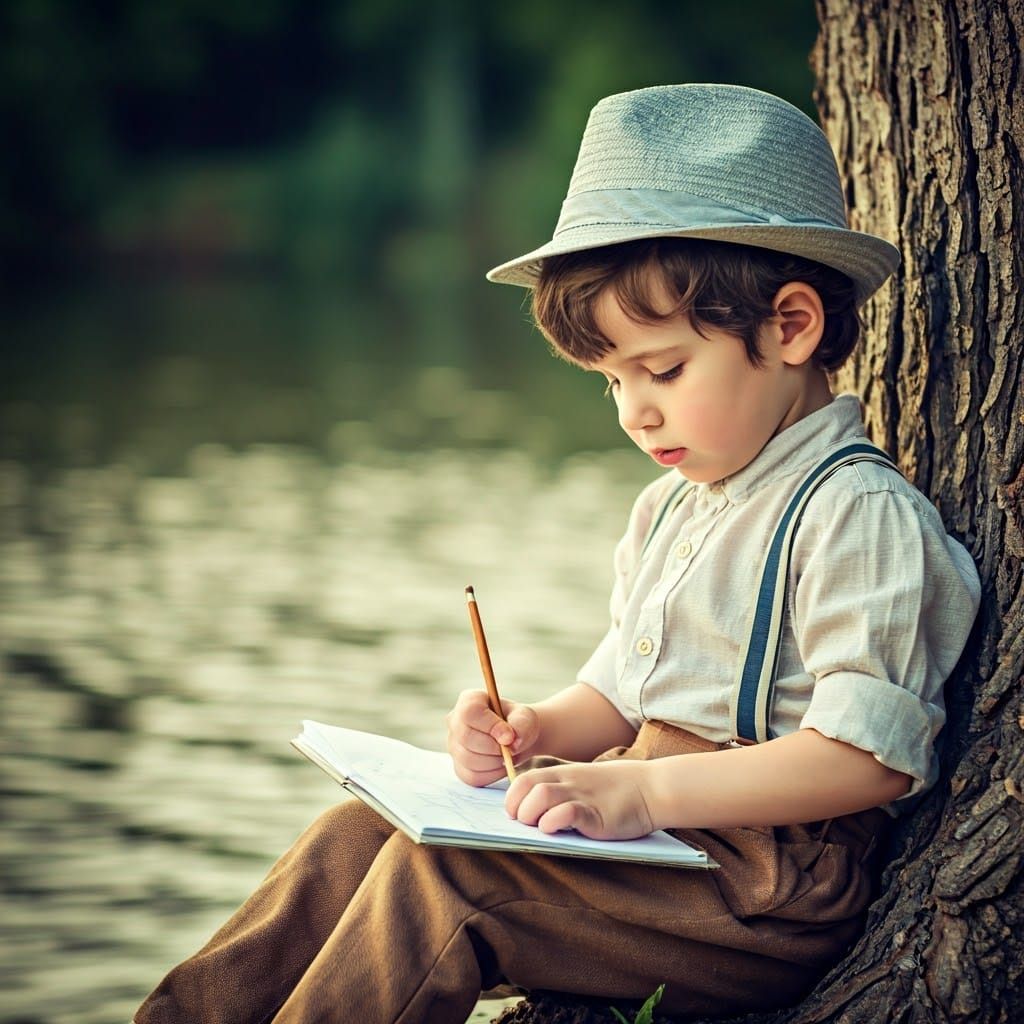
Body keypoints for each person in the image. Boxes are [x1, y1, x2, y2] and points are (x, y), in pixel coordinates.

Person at [134, 84, 981, 1024]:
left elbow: (868, 760)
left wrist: (642, 790)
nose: (634, 411)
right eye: (611, 382)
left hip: (763, 885)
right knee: (352, 835)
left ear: (790, 327)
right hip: (660, 842)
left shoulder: (857, 515)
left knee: (446, 879)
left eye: (662, 370)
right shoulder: (671, 508)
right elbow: (618, 697)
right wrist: (532, 732)